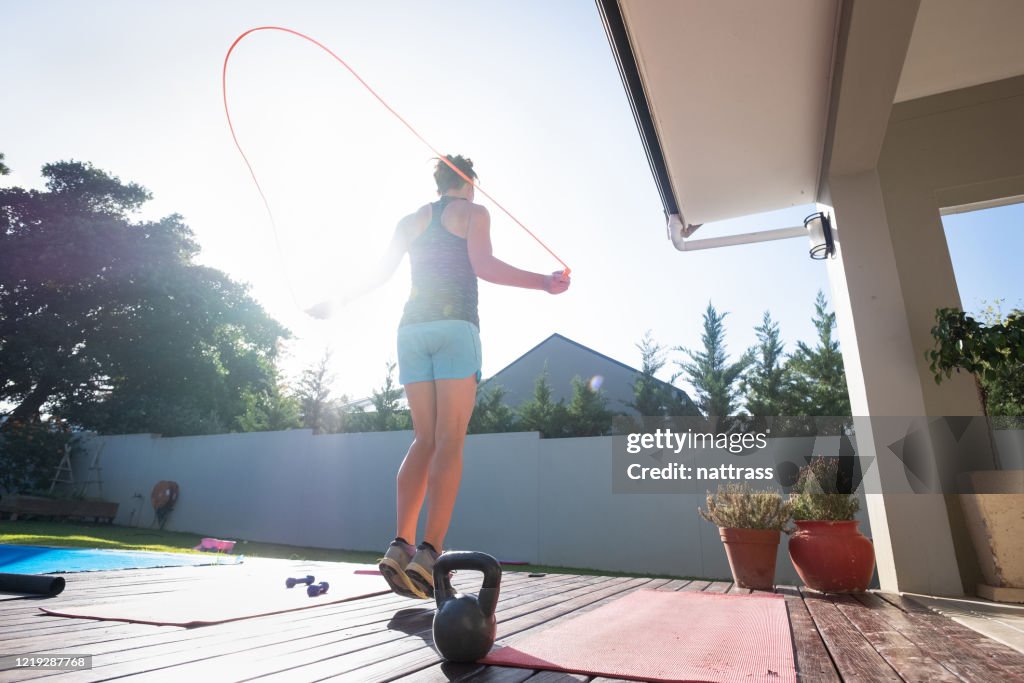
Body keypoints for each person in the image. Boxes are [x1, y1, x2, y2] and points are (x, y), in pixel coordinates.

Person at [306, 154, 570, 598]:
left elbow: (380, 274)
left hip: (411, 331)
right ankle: (429, 554)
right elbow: (484, 267)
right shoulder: (473, 212)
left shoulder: (410, 220)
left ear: (438, 181)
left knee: (423, 439)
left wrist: (337, 301)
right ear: (467, 181)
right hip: (455, 330)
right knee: (450, 440)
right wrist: (544, 282)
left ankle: (399, 547)